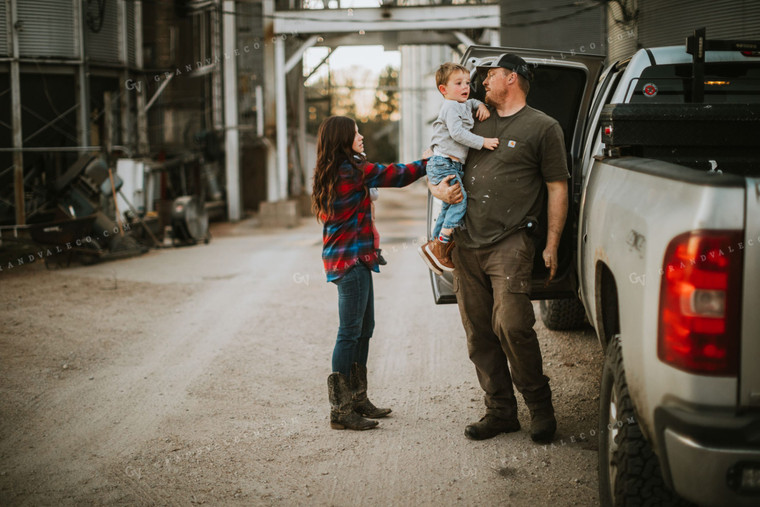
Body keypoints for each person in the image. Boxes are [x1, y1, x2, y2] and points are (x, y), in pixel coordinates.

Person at [429, 54, 569, 443]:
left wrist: (552, 243)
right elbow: (438, 162)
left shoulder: (543, 127)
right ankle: (500, 412)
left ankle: (541, 408)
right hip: (465, 242)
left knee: (512, 325)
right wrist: (435, 188)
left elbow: (558, 187)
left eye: (489, 76)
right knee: (478, 333)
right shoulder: (469, 118)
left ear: (511, 78)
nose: (479, 83)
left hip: (511, 241)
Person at [312, 115, 427, 431]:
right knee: (349, 331)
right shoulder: (351, 171)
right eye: (355, 132)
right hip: (349, 261)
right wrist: (434, 160)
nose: (361, 136)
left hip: (356, 257)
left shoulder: (340, 168)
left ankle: (358, 398)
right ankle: (341, 409)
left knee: (364, 328)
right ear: (342, 139)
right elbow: (398, 175)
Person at [418, 62, 499, 274]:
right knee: (459, 204)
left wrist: (479, 105)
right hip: (444, 162)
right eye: (458, 83)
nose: (465, 87)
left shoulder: (462, 103)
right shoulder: (450, 106)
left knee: (447, 205)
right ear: (443, 90)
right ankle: (442, 245)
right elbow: (457, 133)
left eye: (467, 82)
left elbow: (471, 101)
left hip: (451, 163)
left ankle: (434, 245)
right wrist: (483, 142)